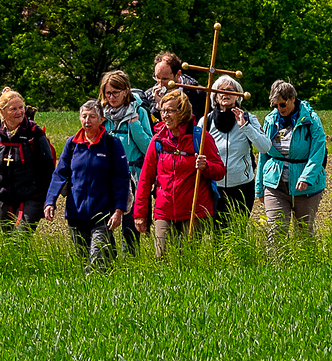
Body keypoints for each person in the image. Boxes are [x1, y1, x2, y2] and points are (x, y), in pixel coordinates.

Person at [132, 88, 224, 258]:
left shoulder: (200, 137)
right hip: (164, 210)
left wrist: (206, 166)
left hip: (195, 211)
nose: (164, 115)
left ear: (182, 112)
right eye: (162, 111)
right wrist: (140, 214)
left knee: (188, 260)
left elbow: (220, 171)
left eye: (169, 111)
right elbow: (145, 179)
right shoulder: (158, 140)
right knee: (162, 258)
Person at [46, 99, 132, 271]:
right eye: (84, 116)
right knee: (83, 258)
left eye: (92, 116)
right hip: (76, 213)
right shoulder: (72, 144)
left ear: (102, 120)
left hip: (102, 213)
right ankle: (96, 291)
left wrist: (119, 210)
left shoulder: (111, 144)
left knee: (97, 260)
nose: (87, 120)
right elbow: (60, 174)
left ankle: (100, 286)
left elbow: (122, 178)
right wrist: (50, 201)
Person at [0, 88, 54, 232]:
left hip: (32, 196)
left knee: (20, 240)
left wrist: (49, 199)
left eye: (21, 107)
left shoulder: (34, 133)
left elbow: (48, 167)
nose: (19, 112)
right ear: (2, 111)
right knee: (8, 242)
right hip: (3, 197)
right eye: (13, 109)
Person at [257, 80, 326, 251]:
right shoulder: (270, 120)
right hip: (275, 183)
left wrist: (306, 177)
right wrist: (259, 187)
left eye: (283, 104)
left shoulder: (311, 119)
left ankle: (307, 270)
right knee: (276, 231)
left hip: (305, 188)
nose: (280, 109)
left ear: (293, 99)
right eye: (275, 105)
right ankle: (275, 270)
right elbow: (263, 153)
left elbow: (318, 149)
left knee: (304, 232)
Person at [200, 75, 269, 222]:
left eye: (231, 90)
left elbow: (265, 147)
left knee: (238, 232)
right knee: (217, 233)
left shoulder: (249, 119)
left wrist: (245, 127)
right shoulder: (206, 121)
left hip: (242, 187)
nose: (226, 94)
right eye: (221, 91)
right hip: (213, 188)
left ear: (238, 96)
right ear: (215, 97)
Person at [100, 70, 152, 256]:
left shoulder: (139, 112)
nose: (112, 97)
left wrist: (134, 125)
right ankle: (107, 260)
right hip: (107, 176)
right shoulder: (101, 114)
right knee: (105, 221)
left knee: (130, 225)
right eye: (108, 93)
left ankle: (130, 262)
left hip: (133, 175)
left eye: (116, 92)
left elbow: (149, 147)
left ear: (126, 91)